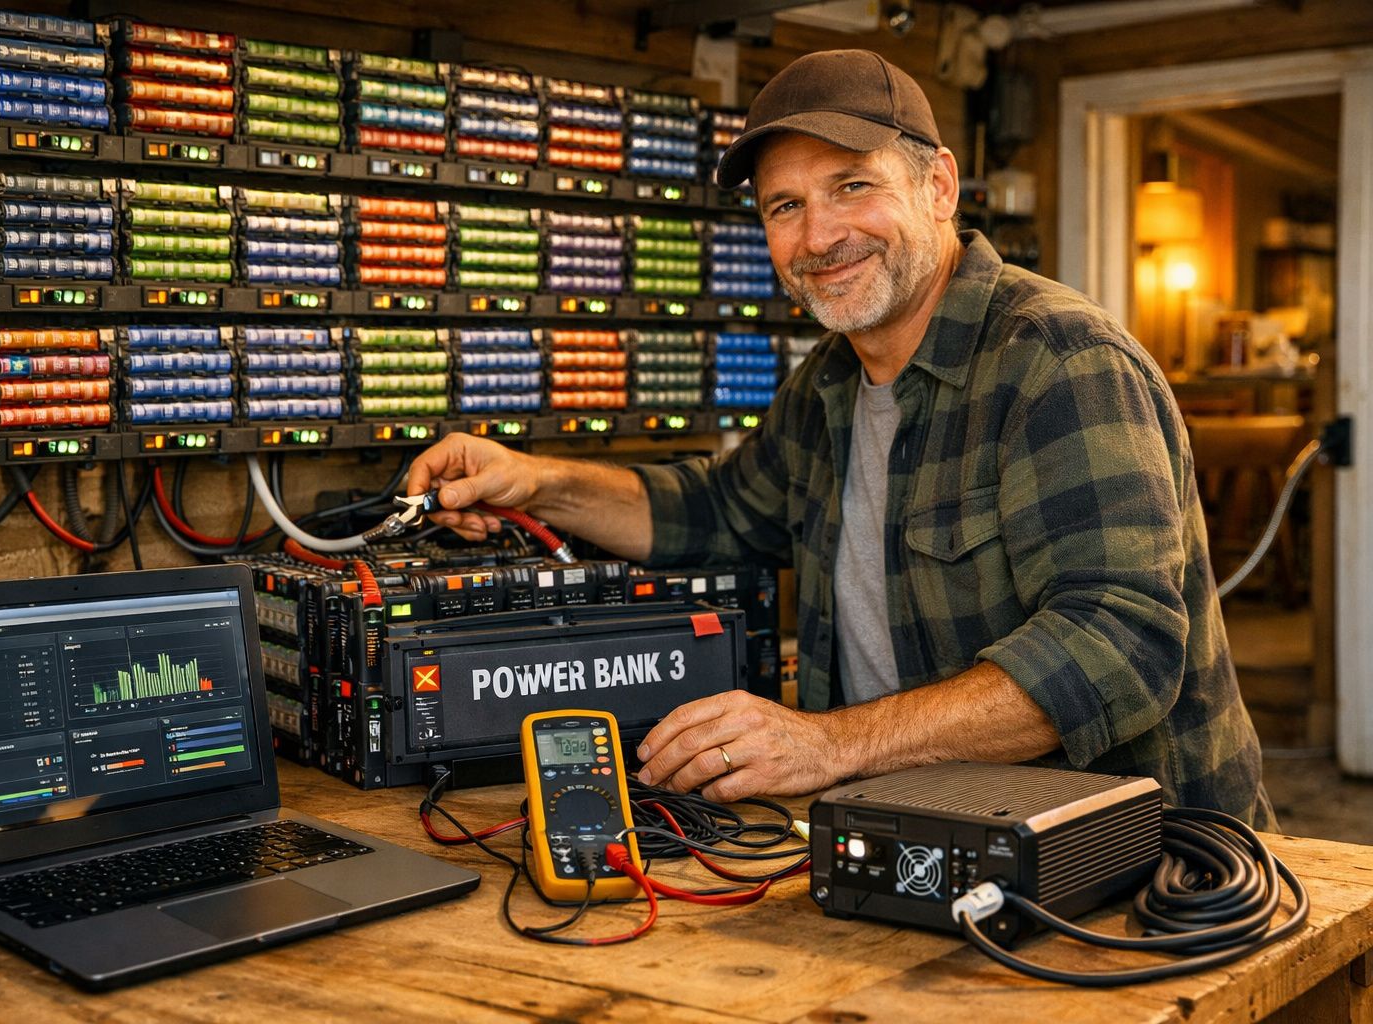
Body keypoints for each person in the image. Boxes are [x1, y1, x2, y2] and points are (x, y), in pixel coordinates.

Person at [407, 49, 1273, 828]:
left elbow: (1117, 648)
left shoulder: (1058, 362)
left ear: (939, 185)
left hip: (1153, 884)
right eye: (786, 205)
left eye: (853, 186)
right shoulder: (827, 381)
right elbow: (712, 512)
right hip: (920, 849)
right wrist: (534, 481)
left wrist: (827, 745)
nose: (819, 236)